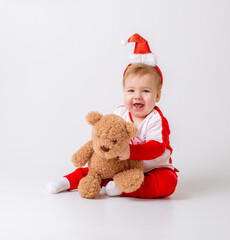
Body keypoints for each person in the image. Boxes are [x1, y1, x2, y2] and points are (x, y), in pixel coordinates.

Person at [46, 34, 178, 198]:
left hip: (153, 170)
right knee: (97, 167)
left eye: (145, 91)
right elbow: (105, 135)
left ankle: (121, 188)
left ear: (157, 96)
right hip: (121, 166)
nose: (137, 96)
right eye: (131, 90)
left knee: (167, 182)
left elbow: (157, 148)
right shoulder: (120, 113)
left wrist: (131, 151)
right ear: (124, 92)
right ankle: (67, 182)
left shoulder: (156, 119)